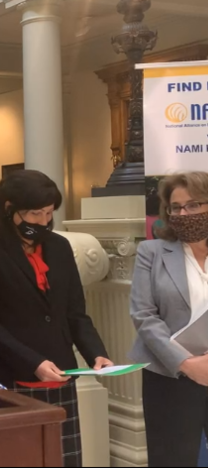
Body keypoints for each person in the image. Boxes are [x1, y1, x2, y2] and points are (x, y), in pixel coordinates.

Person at [0, 170, 112, 468]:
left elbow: (75, 313)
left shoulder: (58, 247)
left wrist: (97, 354)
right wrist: (33, 362)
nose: (44, 221)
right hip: (12, 377)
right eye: (35, 213)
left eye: (48, 213)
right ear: (9, 210)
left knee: (63, 459)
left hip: (60, 376)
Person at [129, 171, 208, 467]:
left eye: (193, 205)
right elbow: (143, 315)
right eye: (176, 208)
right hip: (170, 376)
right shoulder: (152, 252)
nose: (183, 213)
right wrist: (187, 364)